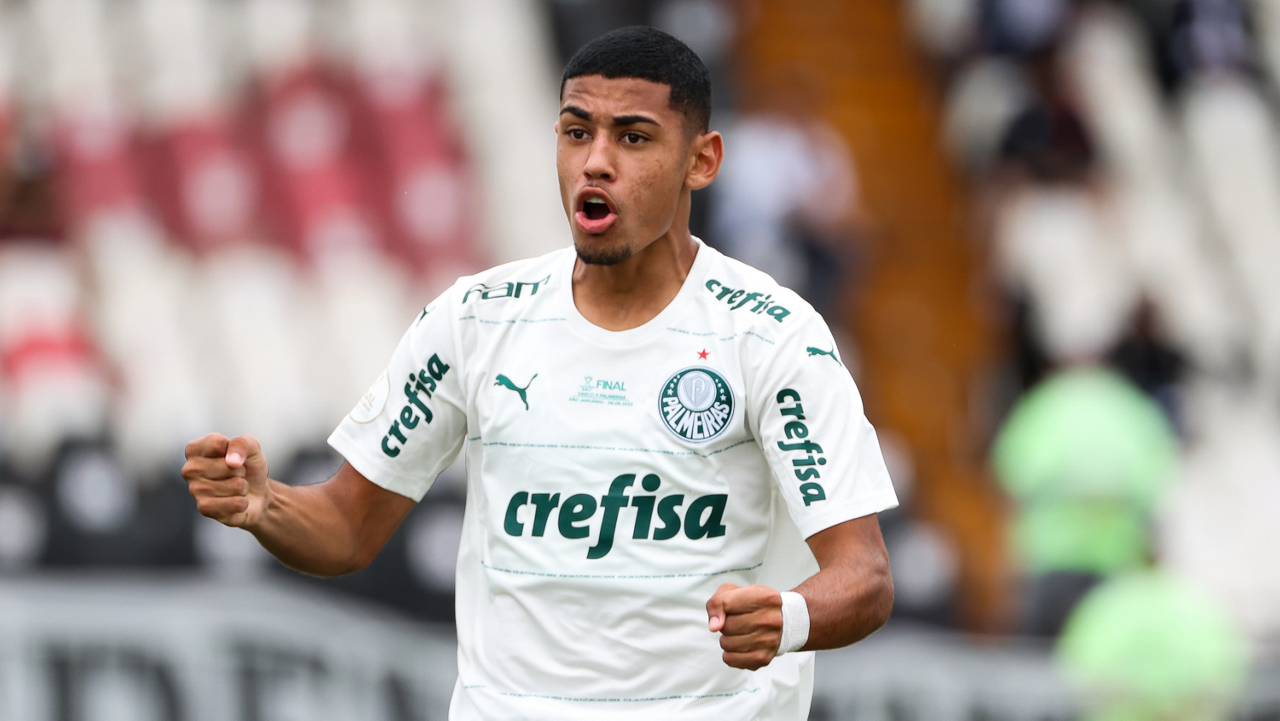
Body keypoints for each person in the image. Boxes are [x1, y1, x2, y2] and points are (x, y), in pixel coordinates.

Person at [182, 26, 897, 719]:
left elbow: (863, 574)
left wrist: (790, 616)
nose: (596, 162)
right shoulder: (476, 319)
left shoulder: (771, 336)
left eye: (634, 138)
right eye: (577, 132)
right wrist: (264, 506)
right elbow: (347, 525)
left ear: (701, 161)